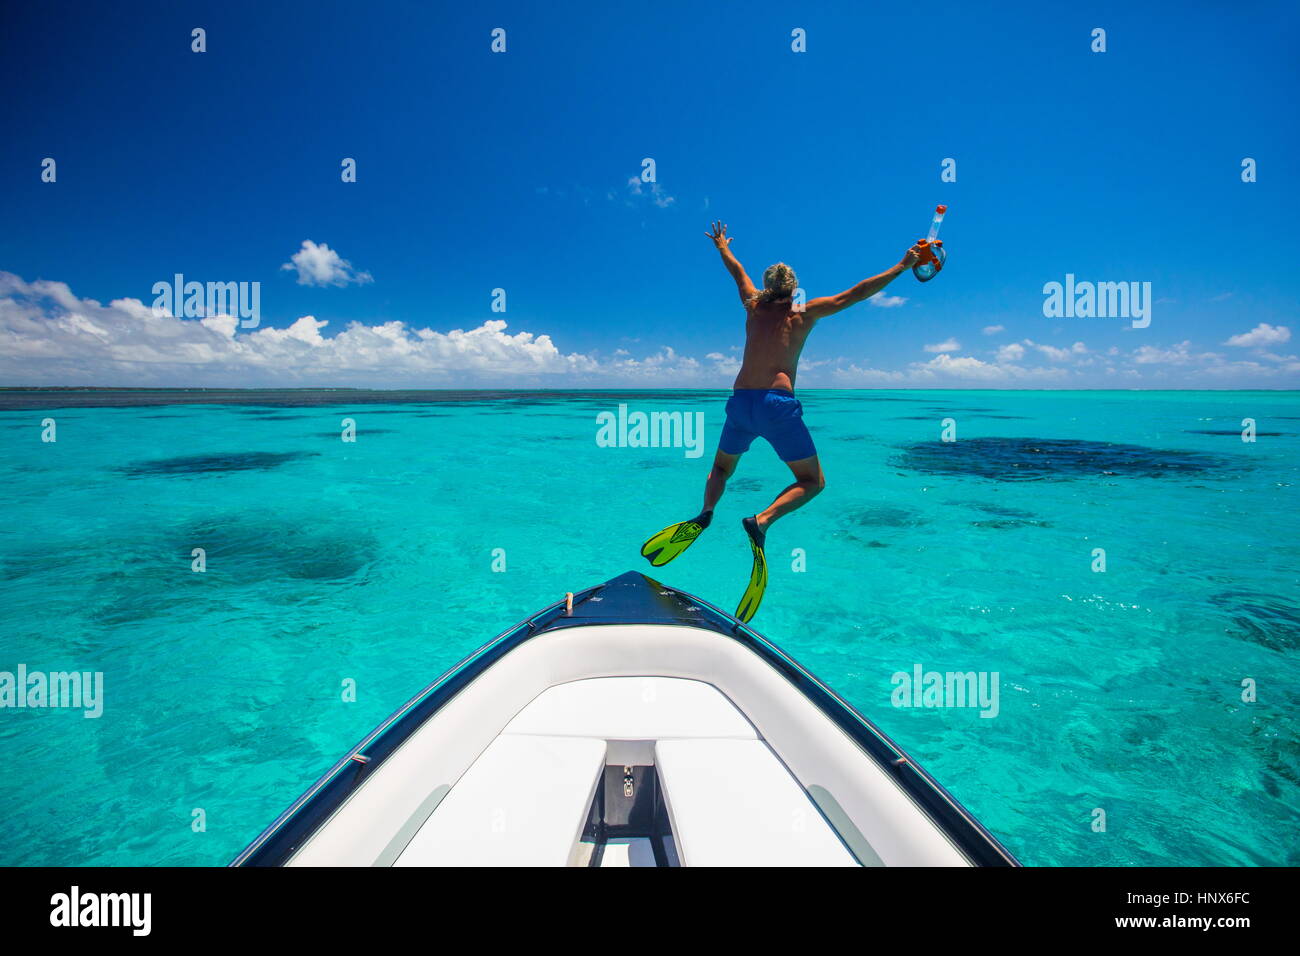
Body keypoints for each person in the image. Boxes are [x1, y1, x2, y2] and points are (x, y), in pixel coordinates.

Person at [641, 221, 926, 622]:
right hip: (777, 404)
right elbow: (855, 294)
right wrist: (901, 266)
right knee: (812, 482)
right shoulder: (804, 312)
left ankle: (705, 514)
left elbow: (736, 271)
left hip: (741, 402)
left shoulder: (751, 304)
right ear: (793, 289)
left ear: (767, 286)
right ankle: (761, 521)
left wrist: (721, 245)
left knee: (721, 467)